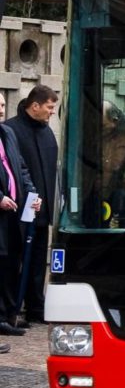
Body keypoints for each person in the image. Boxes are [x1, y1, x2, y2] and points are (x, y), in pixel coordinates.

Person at [5, 85, 58, 325]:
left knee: (37, 261)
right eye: (49, 107)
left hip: (41, 210)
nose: (52, 112)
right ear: (35, 106)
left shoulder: (48, 133)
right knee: (15, 260)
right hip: (17, 210)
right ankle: (12, 308)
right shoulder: (12, 130)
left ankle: (36, 306)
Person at [0, 93, 40, 336]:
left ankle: (8, 314)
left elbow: (21, 168)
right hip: (1, 212)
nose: (1, 110)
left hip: (14, 213)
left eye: (3, 105)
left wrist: (33, 194)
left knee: (12, 262)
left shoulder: (8, 133)